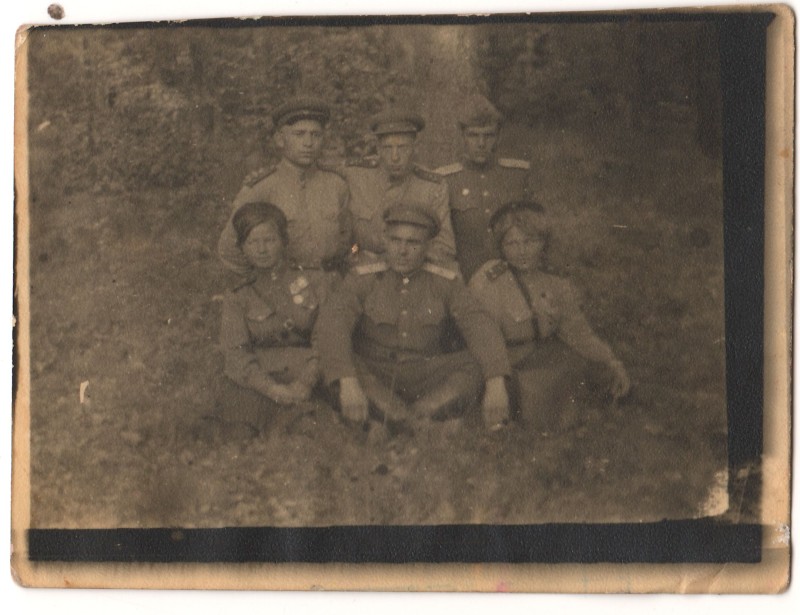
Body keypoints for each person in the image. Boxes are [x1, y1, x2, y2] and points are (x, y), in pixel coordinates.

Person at [315, 203, 512, 432]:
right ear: (385, 240)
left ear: (428, 246)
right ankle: (421, 423)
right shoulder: (362, 277)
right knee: (339, 364)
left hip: (424, 374)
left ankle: (403, 418)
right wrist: (348, 381)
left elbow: (478, 323)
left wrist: (496, 381)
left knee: (475, 364)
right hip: (376, 371)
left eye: (413, 243)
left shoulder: (445, 281)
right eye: (395, 240)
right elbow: (333, 322)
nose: (402, 251)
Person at [468, 201, 631, 432]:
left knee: (594, 371)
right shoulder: (489, 279)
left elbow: (578, 332)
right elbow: (484, 337)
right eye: (512, 243)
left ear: (543, 242)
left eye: (530, 241)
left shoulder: (555, 283)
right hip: (500, 365)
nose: (522, 251)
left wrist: (611, 360)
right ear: (501, 247)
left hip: (537, 360)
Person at [215, 202, 331, 436]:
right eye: (252, 242)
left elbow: (327, 338)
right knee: (240, 431)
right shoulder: (238, 295)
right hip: (261, 378)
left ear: (283, 241)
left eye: (269, 240)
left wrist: (306, 382)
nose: (262, 250)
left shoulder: (315, 281)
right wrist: (272, 389)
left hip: (311, 371)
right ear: (242, 248)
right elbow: (236, 354)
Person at [217, 96, 351, 277]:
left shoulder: (336, 185)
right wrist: (263, 282)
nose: (308, 143)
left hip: (328, 283)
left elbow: (346, 240)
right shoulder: (262, 188)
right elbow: (229, 250)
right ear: (280, 139)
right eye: (299, 134)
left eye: (315, 135)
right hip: (281, 285)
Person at [342, 108, 457, 270]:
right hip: (362, 268)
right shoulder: (355, 175)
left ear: (415, 148)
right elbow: (347, 239)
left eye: (402, 148)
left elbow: (445, 247)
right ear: (378, 149)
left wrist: (406, 256)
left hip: (412, 272)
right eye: (387, 148)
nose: (395, 157)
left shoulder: (432, 187)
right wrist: (354, 251)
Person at [436, 95, 535, 281]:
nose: (481, 143)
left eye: (488, 135)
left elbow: (535, 233)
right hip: (465, 279)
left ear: (498, 136)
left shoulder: (517, 176)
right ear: (462, 136)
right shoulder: (445, 180)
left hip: (513, 279)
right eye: (473, 135)